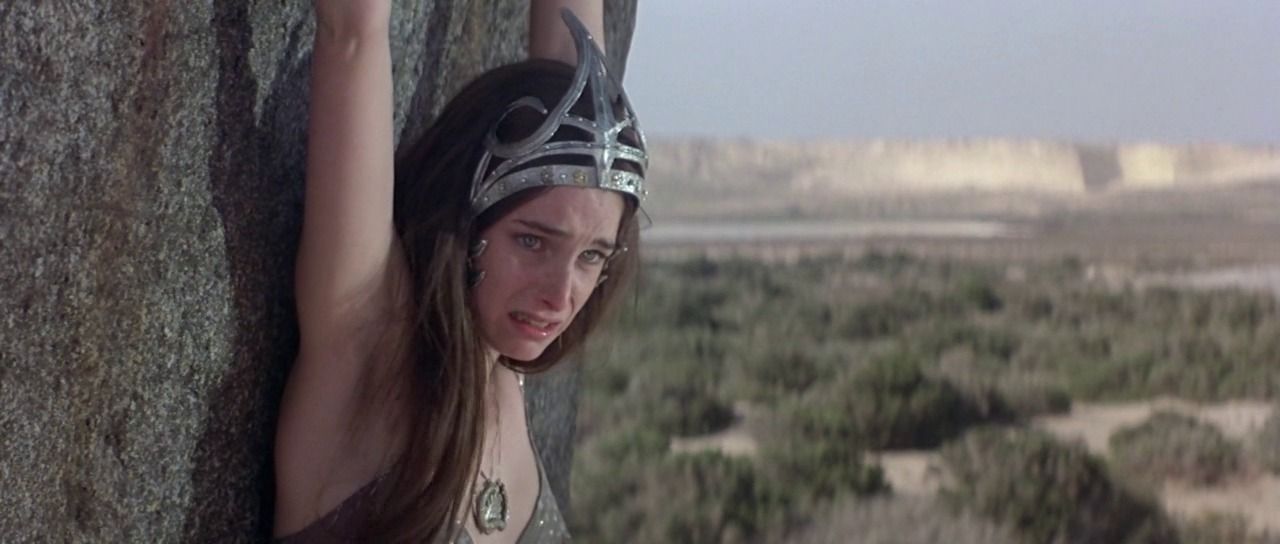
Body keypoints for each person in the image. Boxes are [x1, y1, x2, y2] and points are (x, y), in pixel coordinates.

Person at [273, 0, 647, 541]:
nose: (560, 294)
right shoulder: (367, 347)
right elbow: (352, 35)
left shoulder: (504, 374)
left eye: (592, 256)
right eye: (532, 242)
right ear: (465, 221)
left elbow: (581, 83)